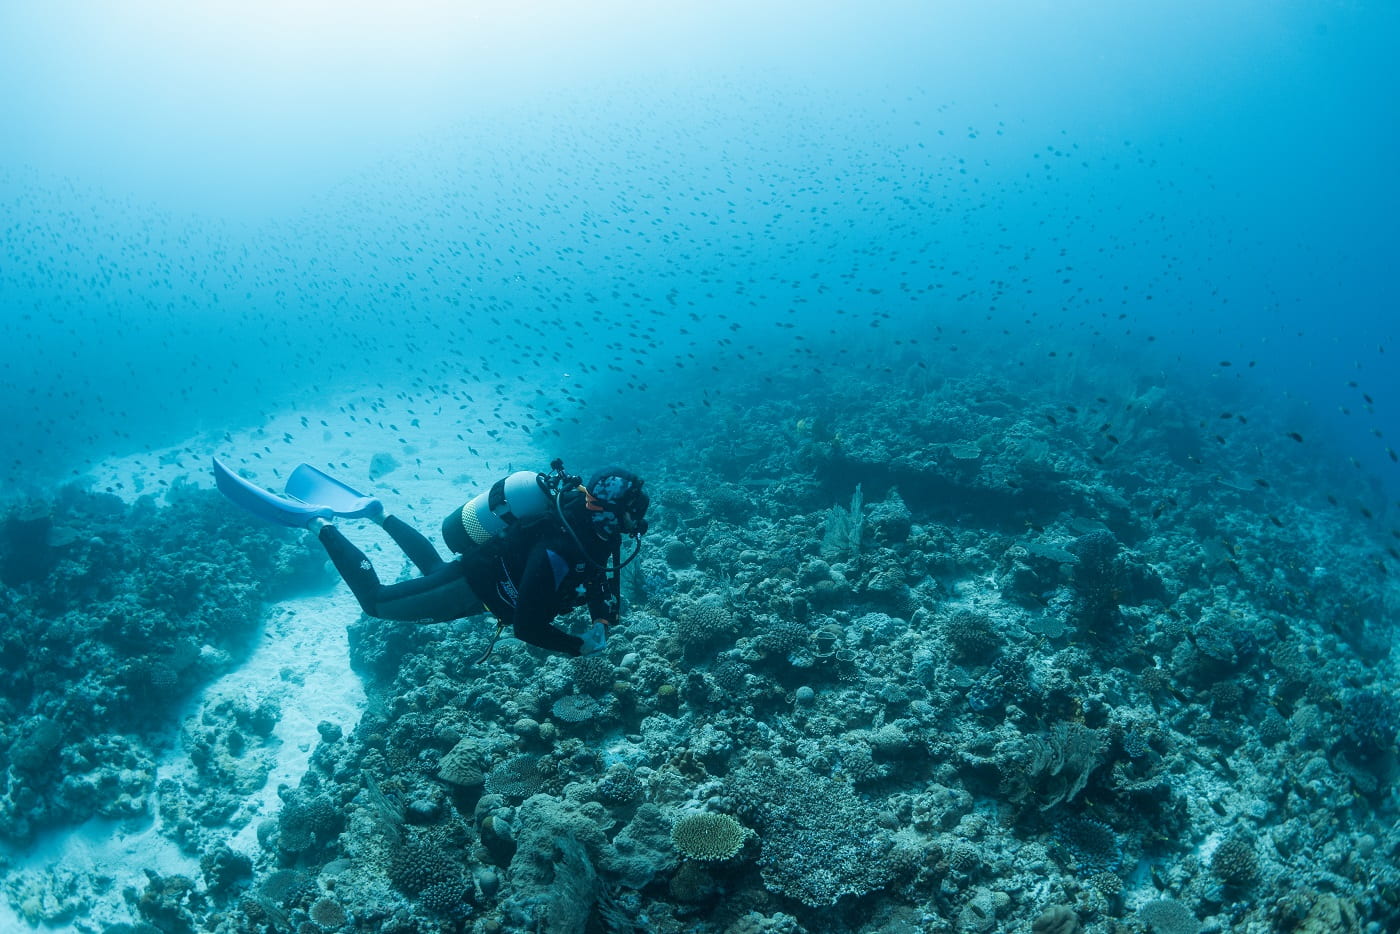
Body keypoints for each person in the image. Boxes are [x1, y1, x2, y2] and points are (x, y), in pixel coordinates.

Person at [212, 458, 648, 657]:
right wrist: (576, 649)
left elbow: (604, 577)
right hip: (473, 587)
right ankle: (318, 524)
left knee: (436, 570)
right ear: (609, 509)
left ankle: (378, 512)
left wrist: (601, 621)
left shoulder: (595, 527)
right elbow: (528, 625)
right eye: (632, 512)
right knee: (377, 604)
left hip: (481, 582)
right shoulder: (560, 547)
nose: (638, 521)